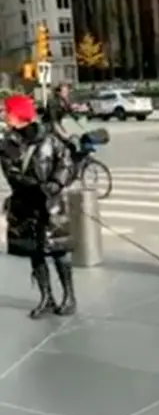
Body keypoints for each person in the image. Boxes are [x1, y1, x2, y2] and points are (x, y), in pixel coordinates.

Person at [0, 94, 77, 318]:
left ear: (20, 115)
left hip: (52, 204)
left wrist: (55, 183)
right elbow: (12, 173)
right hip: (26, 204)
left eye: (8, 111)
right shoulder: (7, 143)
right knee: (35, 252)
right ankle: (46, 297)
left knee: (58, 250)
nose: (4, 115)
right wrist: (35, 187)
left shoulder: (49, 138)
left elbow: (65, 161)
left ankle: (69, 296)